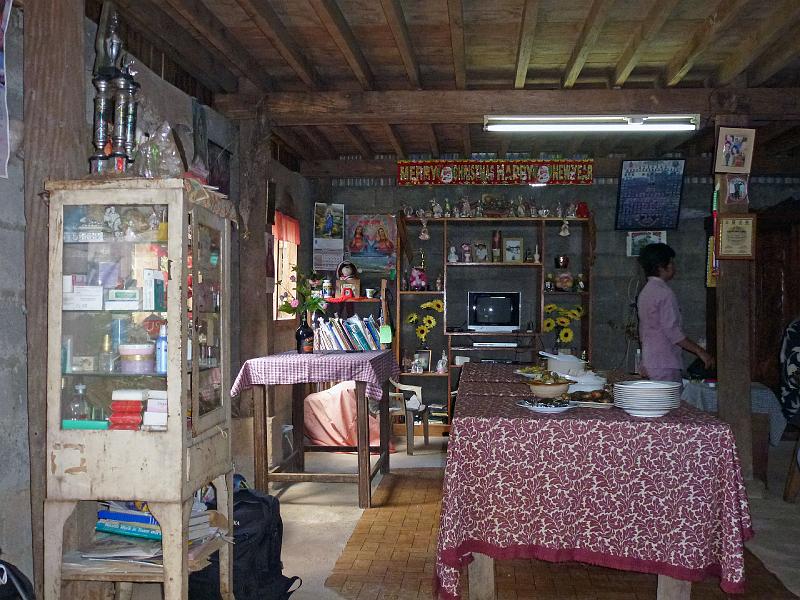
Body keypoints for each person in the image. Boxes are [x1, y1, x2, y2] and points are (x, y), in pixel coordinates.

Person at [636, 243, 714, 383]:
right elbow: (673, 332)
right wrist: (700, 351)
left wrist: (644, 359)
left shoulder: (645, 291)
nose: (673, 266)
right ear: (661, 267)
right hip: (665, 361)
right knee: (668, 403)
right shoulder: (664, 293)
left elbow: (643, 332)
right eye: (671, 262)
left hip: (651, 360)